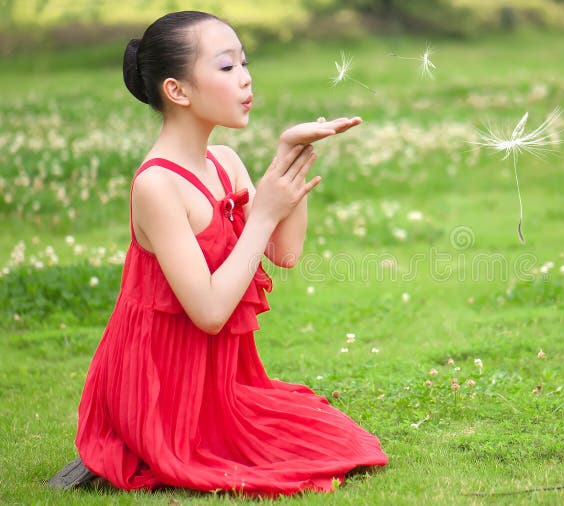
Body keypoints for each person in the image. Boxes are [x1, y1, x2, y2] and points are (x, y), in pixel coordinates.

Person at [48, 10, 387, 497]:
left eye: (245, 63)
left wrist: (289, 157)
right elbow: (208, 311)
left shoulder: (225, 162)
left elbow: (284, 254)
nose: (246, 78)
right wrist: (266, 210)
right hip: (158, 385)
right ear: (178, 91)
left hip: (220, 379)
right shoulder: (156, 185)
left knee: (337, 440)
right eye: (227, 67)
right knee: (281, 458)